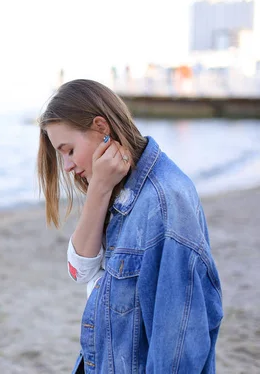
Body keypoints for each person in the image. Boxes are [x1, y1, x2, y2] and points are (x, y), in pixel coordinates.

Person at [36, 79, 223, 373]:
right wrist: (98, 187)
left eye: (69, 150)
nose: (68, 166)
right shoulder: (114, 187)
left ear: (101, 127)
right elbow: (79, 270)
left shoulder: (163, 203)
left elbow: (177, 345)